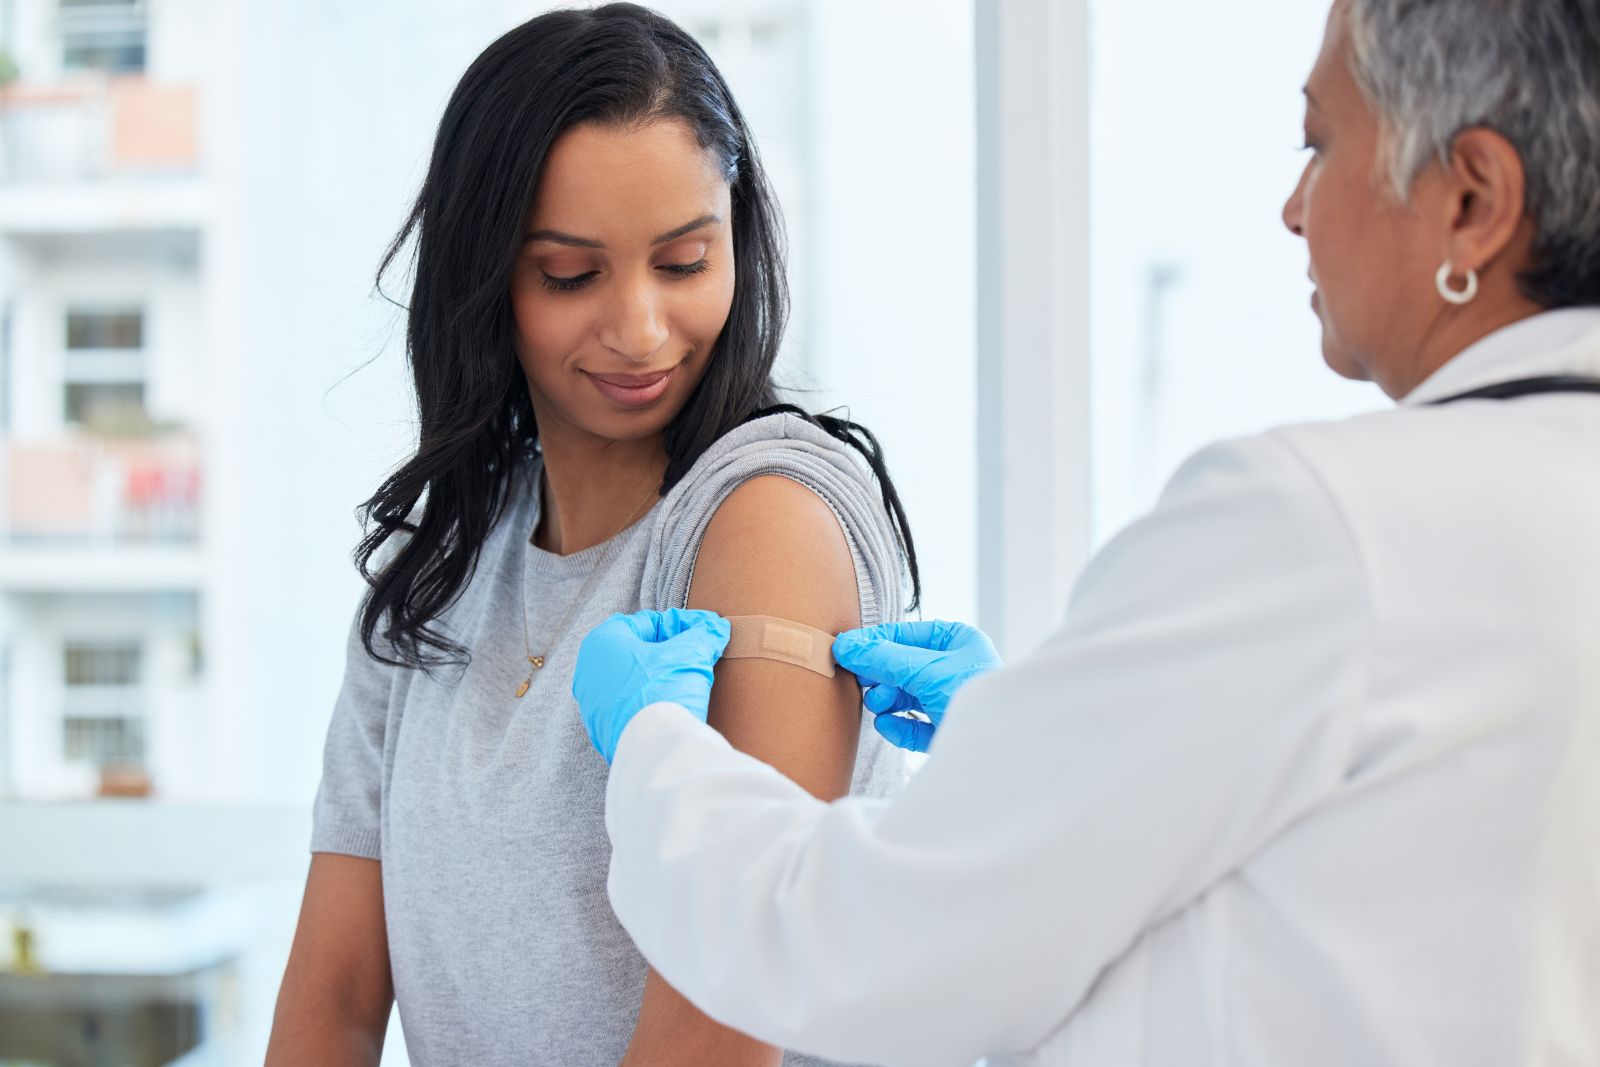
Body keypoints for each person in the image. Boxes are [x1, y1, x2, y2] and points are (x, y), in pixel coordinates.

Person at [570, 1, 1600, 1064]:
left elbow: (872, 950)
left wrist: (657, 750)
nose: (1295, 208)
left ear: (1472, 200)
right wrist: (1023, 745)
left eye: (1320, 143)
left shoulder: (1325, 524)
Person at [264, 6, 920, 1066]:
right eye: (571, 274)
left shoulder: (765, 516)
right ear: (485, 278)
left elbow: (723, 1015)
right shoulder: (438, 570)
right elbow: (334, 998)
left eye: (683, 261)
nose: (641, 329)